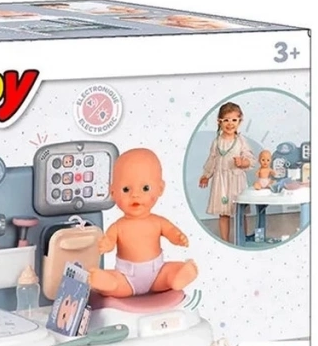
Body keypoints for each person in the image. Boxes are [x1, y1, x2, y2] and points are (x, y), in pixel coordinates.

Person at [89, 147, 198, 297]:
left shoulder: (158, 222)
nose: (135, 195)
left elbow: (170, 231)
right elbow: (110, 240)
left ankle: (180, 275)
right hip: (126, 277)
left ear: (160, 188)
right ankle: (108, 282)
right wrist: (107, 244)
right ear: (112, 192)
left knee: (169, 272)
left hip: (157, 273)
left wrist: (178, 237)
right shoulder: (118, 226)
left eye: (145, 188)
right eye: (126, 189)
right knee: (117, 284)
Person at [199, 102, 255, 243]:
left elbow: (250, 159)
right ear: (219, 121)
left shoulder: (241, 141)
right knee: (223, 213)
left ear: (240, 121)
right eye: (226, 120)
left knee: (240, 212)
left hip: (236, 180)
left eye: (234, 120)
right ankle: (225, 240)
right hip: (221, 181)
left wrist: (243, 162)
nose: (230, 124)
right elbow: (212, 159)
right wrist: (206, 175)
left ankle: (242, 239)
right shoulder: (217, 142)